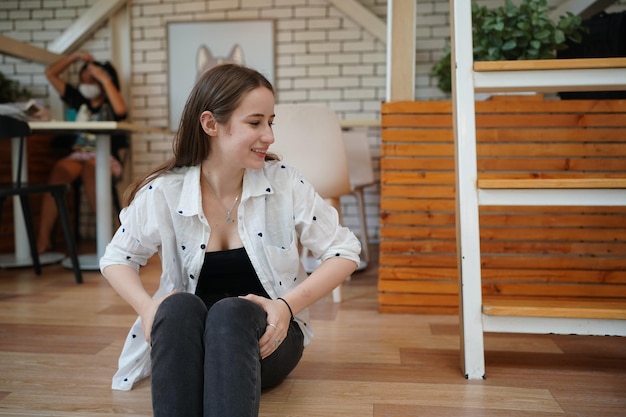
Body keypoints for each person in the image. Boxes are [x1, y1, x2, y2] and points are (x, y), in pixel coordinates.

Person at [99, 63, 361, 416]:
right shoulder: (165, 191)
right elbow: (117, 258)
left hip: (268, 339)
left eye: (271, 122)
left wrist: (286, 307)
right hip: (192, 342)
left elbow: (344, 251)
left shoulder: (283, 183)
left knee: (231, 312)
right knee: (174, 307)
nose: (269, 135)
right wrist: (147, 310)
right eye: (255, 123)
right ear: (210, 124)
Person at [37, 51, 128, 254]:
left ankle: (109, 239)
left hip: (106, 158)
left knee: (92, 169)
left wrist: (102, 76)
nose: (86, 83)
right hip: (77, 155)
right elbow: (50, 74)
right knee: (58, 173)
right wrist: (75, 57)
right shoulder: (77, 100)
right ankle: (43, 240)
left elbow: (122, 111)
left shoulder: (111, 104)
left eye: (92, 80)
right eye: (83, 79)